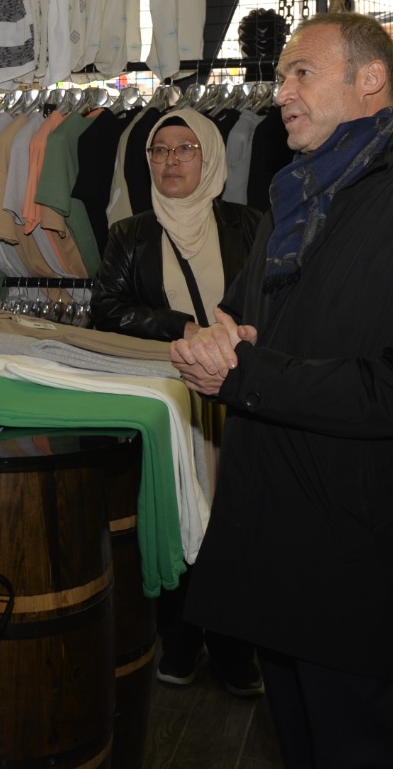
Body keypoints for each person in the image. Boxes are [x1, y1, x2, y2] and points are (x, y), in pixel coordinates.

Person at [169, 12, 393, 768]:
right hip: (271, 521)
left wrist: (246, 371)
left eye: (302, 73)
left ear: (370, 80)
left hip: (350, 542)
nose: (281, 92)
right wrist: (216, 338)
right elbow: (244, 316)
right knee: (296, 735)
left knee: (356, 742)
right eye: (282, 75)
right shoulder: (296, 200)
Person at [90, 107, 264, 697]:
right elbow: (106, 310)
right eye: (159, 151)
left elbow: (275, 301)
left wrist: (237, 340)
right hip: (169, 400)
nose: (170, 161)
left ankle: (236, 648)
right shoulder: (130, 233)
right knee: (178, 513)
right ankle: (181, 639)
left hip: (238, 399)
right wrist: (182, 329)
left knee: (236, 520)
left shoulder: (249, 225)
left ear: (209, 156)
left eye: (185, 149)